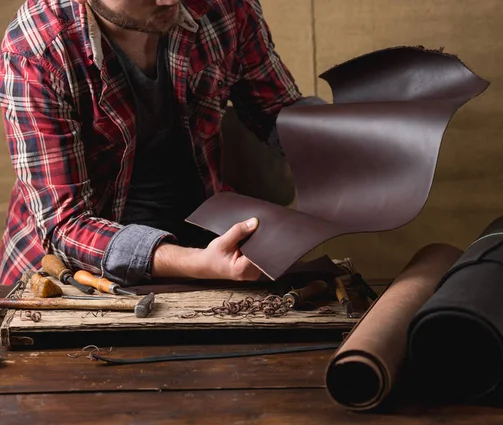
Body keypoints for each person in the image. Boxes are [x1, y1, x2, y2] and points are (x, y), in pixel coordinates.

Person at [0, 0, 322, 286]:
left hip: (209, 248)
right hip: (74, 277)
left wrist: (347, 141)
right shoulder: (35, 51)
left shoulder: (224, 6)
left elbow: (276, 111)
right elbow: (65, 225)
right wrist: (194, 263)